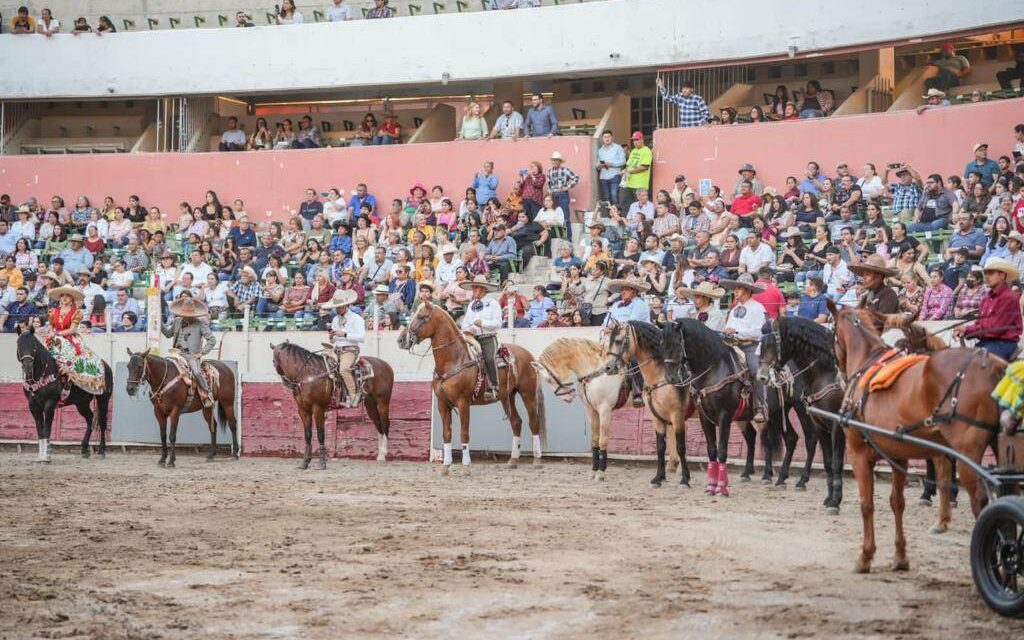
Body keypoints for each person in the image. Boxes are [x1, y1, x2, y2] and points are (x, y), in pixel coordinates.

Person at [719, 273, 768, 422]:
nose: (735, 291)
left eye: (739, 288)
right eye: (735, 288)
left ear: (748, 290)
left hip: (750, 346)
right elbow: (728, 327)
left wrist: (737, 333)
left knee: (756, 371)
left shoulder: (758, 308)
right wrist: (727, 331)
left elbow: (759, 331)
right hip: (733, 345)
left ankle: (761, 406)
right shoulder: (734, 309)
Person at [954, 258, 1023, 360]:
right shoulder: (986, 299)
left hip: (1003, 344)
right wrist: (965, 332)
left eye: (990, 273)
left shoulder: (1008, 298)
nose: (986, 276)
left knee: (975, 364)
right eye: (985, 273)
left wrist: (967, 329)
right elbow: (980, 324)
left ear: (1002, 275)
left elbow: (994, 328)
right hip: (988, 342)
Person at [44, 286, 106, 394]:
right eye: (62, 295)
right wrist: (51, 333)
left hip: (70, 338)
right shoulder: (53, 311)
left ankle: (71, 380)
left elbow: (72, 330)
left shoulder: (76, 312)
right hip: (54, 337)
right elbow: (51, 326)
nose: (64, 298)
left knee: (72, 356)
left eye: (67, 295)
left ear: (72, 298)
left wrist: (56, 333)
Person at [161, 295, 217, 408]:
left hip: (191, 355)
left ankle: (207, 394)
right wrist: (159, 323)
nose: (186, 317)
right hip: (176, 353)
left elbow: (212, 339)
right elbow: (168, 334)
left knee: (196, 372)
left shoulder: (200, 324)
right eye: (184, 315)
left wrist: (202, 353)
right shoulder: (177, 321)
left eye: (188, 315)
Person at [459, 276, 502, 402]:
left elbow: (498, 323)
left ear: (483, 289)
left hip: (488, 337)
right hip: (473, 338)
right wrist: (469, 329)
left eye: (476, 287)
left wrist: (482, 323)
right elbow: (465, 323)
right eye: (473, 287)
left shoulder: (493, 303)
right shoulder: (471, 304)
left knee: (489, 358)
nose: (473, 290)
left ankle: (494, 386)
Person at [322, 289, 366, 408]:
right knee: (323, 366)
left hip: (350, 349)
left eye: (340, 307)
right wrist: (332, 337)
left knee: (344, 369)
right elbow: (334, 340)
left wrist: (344, 334)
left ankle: (354, 394)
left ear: (346, 305)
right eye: (336, 307)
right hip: (337, 348)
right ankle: (337, 396)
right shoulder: (335, 320)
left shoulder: (357, 319)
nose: (338, 309)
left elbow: (361, 337)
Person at [547, 151, 580, 238]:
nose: (555, 162)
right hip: (553, 195)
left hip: (562, 194)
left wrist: (567, 187)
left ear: (560, 161)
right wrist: (550, 191)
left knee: (565, 217)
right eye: (553, 160)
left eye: (557, 160)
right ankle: (557, 237)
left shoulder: (565, 170)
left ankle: (568, 239)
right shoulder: (549, 171)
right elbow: (549, 184)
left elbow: (576, 178)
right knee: (554, 217)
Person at [596, 131, 627, 206]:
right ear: (602, 139)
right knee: (606, 197)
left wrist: (612, 164)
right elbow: (597, 163)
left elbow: (623, 161)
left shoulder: (618, 148)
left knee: (614, 196)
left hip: (615, 175)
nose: (607, 139)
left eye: (608, 137)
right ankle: (609, 215)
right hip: (603, 176)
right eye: (605, 137)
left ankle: (616, 215)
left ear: (612, 137)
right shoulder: (600, 150)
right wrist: (599, 165)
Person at [622, 132, 652, 206]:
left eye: (637, 140)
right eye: (633, 140)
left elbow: (644, 167)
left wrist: (630, 171)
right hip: (629, 183)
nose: (635, 142)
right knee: (629, 205)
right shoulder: (633, 151)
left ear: (642, 140)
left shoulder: (646, 151)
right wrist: (625, 171)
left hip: (640, 184)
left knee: (641, 206)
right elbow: (628, 164)